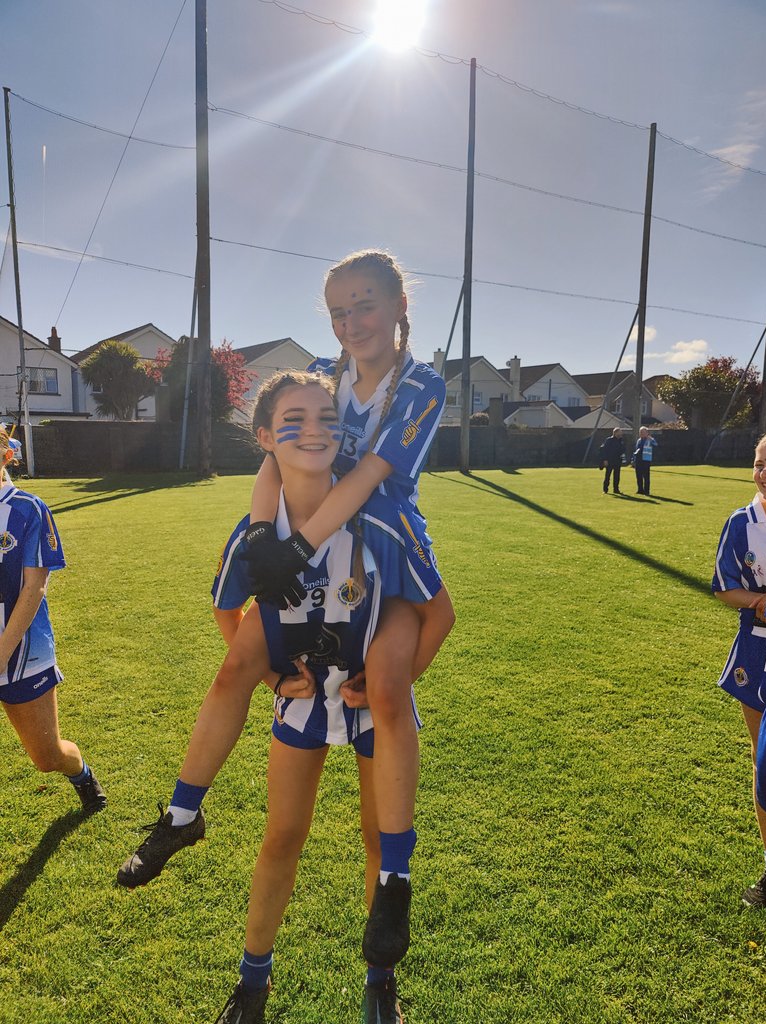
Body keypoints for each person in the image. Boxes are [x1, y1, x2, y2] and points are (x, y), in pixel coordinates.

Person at [117, 251, 454, 976]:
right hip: (308, 540)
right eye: (337, 310)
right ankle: (182, 813)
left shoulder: (420, 382)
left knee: (389, 687)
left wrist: (295, 544)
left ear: (400, 304)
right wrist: (266, 536)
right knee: (240, 659)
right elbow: (275, 457)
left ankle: (393, 882)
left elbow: (368, 476)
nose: (350, 321)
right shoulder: (326, 382)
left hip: (384, 550)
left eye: (364, 303)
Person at [218, 372, 424, 1022]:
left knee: (378, 840)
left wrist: (392, 684)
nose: (314, 431)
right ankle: (253, 983)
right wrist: (275, 676)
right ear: (264, 438)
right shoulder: (258, 532)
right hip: (304, 699)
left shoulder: (378, 516)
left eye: (327, 418)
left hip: (372, 707)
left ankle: (378, 983)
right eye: (294, 420)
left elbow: (435, 610)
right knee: (282, 835)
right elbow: (231, 615)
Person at [0, 429, 106, 815]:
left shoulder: (26, 509)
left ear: (5, 455)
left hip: (21, 651)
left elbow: (34, 588)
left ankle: (79, 772)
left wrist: (1, 655)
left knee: (47, 757)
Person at [712, 432, 766, 907]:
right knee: (763, 763)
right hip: (756, 657)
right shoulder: (740, 522)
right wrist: (758, 603)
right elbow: (722, 587)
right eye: (758, 463)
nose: (763, 471)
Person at [599, 428, 625, 494]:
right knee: (608, 475)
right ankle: (605, 489)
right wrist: (605, 460)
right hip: (610, 460)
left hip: (617, 461)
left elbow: (622, 450)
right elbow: (604, 450)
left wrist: (623, 458)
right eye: (619, 433)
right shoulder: (609, 440)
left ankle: (616, 489)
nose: (620, 434)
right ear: (615, 433)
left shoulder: (621, 440)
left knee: (617, 476)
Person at [633, 426, 658, 495]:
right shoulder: (639, 440)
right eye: (640, 432)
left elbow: (656, 445)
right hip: (638, 460)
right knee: (638, 476)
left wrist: (651, 440)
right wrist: (633, 460)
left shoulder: (650, 440)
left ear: (647, 433)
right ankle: (640, 490)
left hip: (646, 460)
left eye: (643, 432)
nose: (641, 433)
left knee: (646, 477)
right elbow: (636, 450)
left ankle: (646, 491)